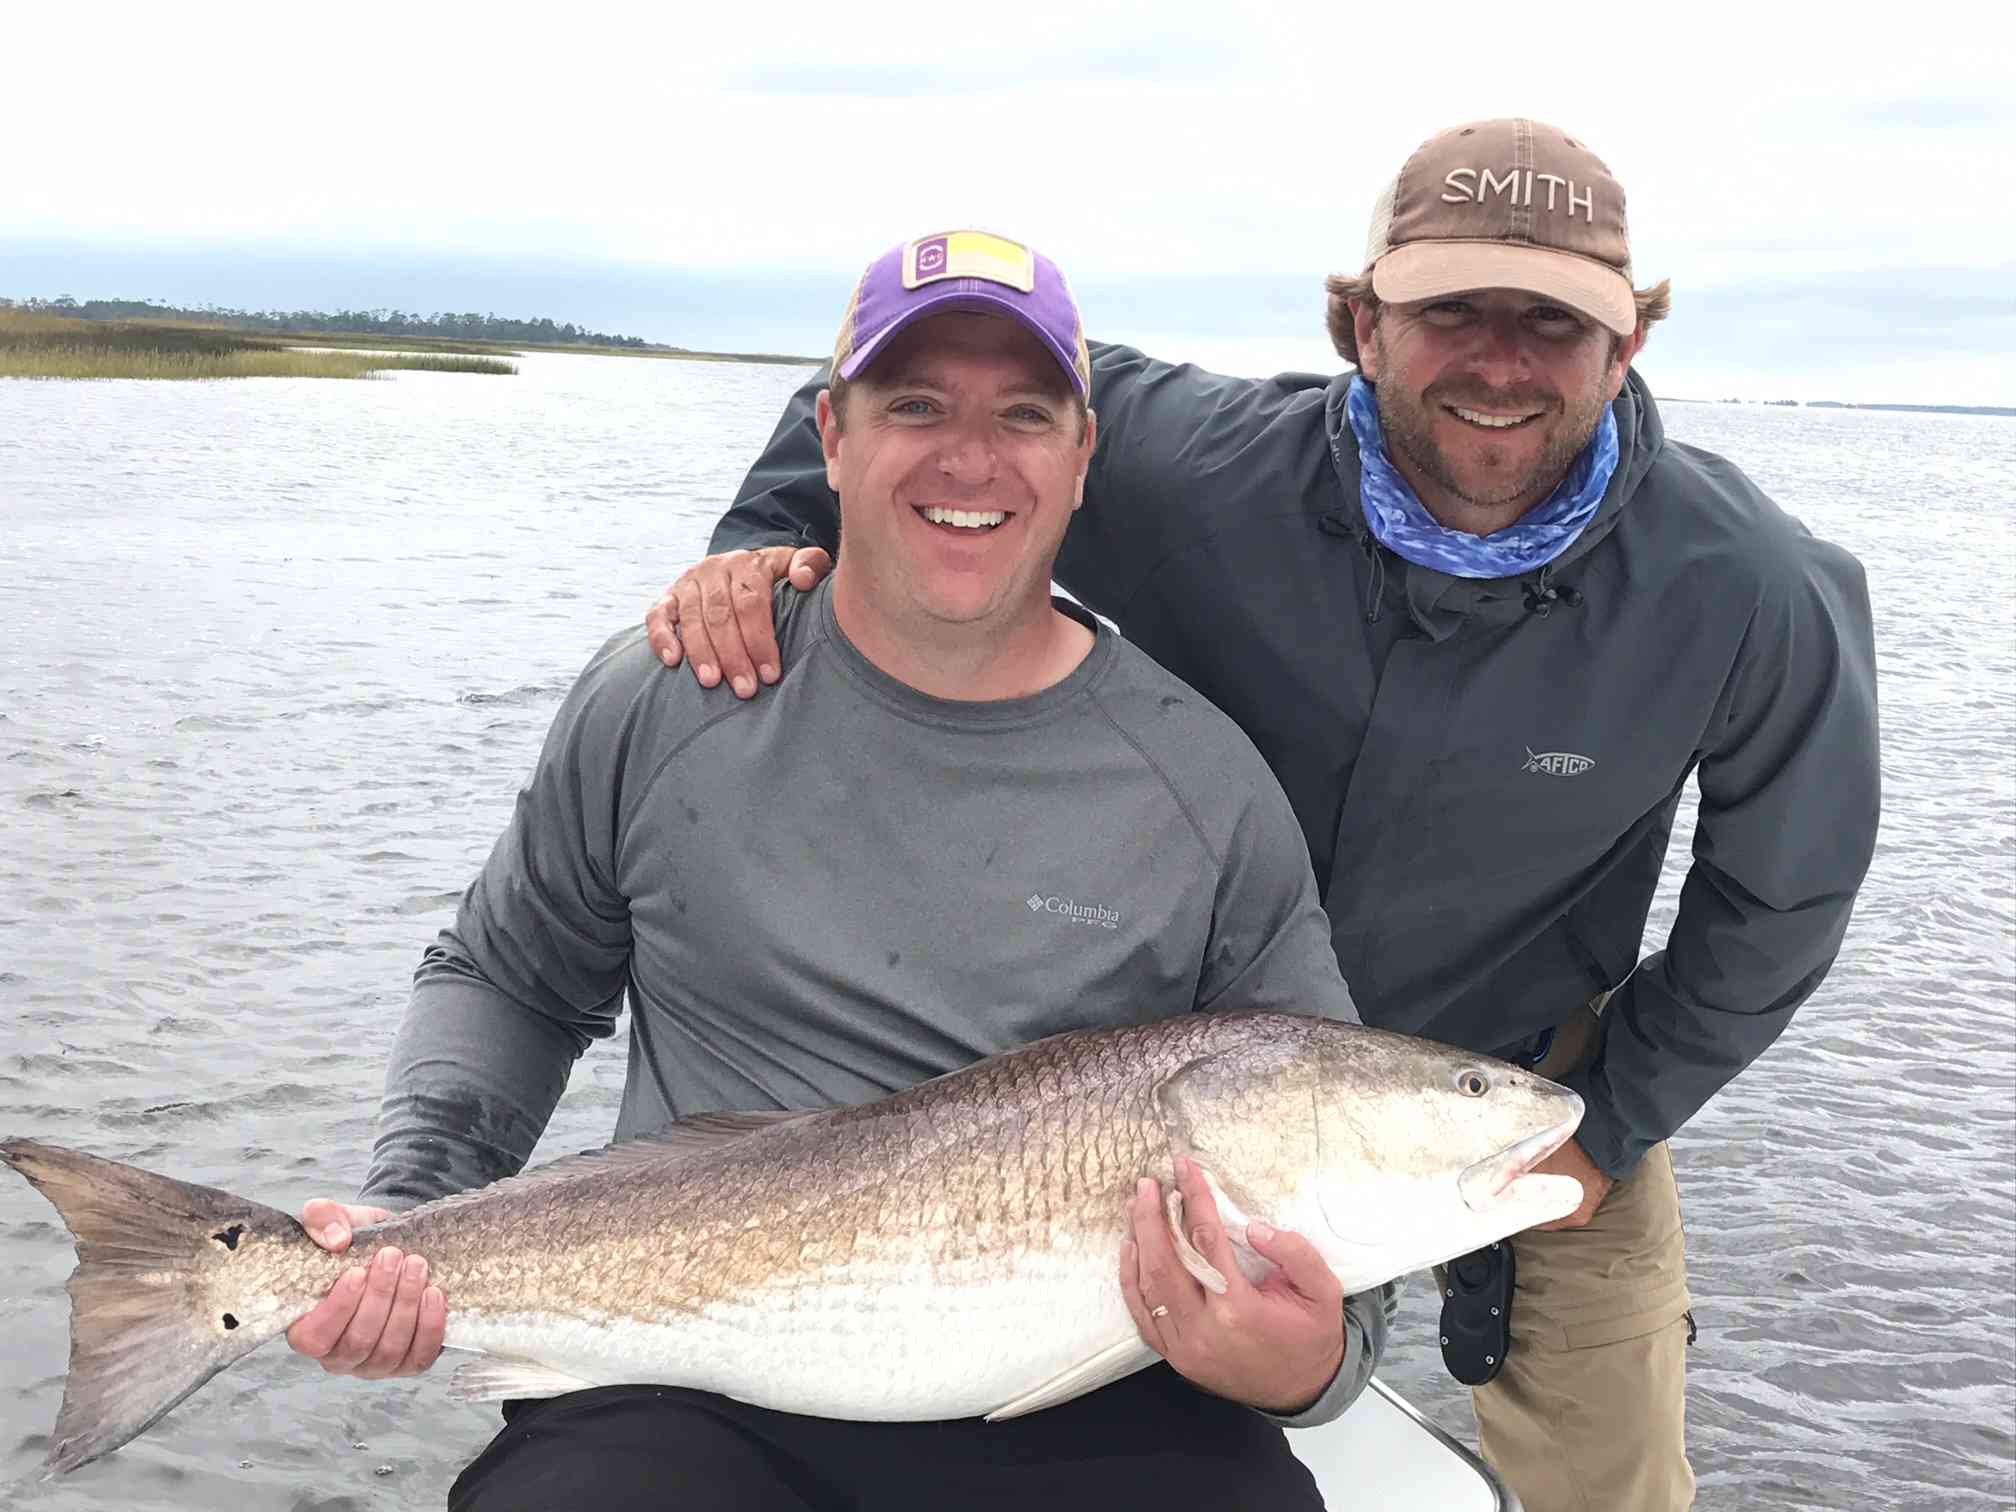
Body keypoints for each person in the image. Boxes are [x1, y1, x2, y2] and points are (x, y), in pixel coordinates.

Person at [640, 120, 1883, 1512]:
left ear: (1627, 347)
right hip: (1166, 1081)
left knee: (1621, 1478)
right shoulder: (1193, 465)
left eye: (1553, 322)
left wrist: (1609, 1121)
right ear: (1358, 321)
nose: (1499, 361)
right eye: (1449, 311)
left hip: (1525, 1081)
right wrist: (758, 550)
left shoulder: (1750, 589)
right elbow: (899, 397)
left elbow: (1781, 903)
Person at [285, 229, 1393, 1511]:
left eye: (1025, 414)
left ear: (1084, 457)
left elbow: (1336, 1196)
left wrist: (1301, 1360)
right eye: (915, 404)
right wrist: (405, 1216)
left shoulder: (1208, 788)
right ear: (832, 431)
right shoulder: (666, 697)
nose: (969, 458)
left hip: (1096, 1383)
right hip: (684, 1380)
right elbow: (510, 977)